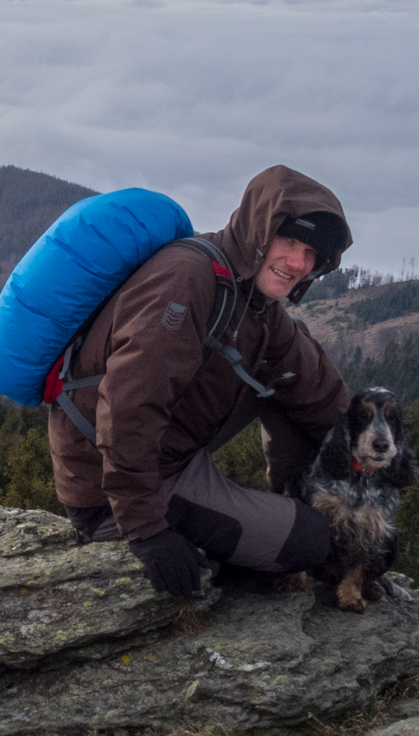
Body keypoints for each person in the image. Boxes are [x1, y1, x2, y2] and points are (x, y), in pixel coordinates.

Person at [50, 165, 351, 596]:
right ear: (259, 230)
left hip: (173, 454)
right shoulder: (188, 278)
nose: (298, 263)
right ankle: (212, 543)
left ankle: (294, 506)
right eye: (289, 241)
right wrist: (146, 529)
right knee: (310, 541)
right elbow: (128, 405)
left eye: (311, 254)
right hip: (108, 487)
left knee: (287, 369)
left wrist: (369, 478)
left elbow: (317, 390)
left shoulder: (253, 299)